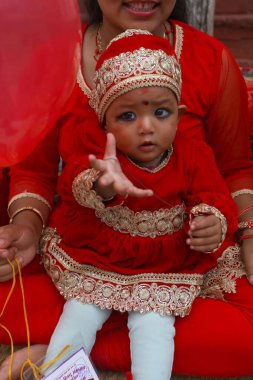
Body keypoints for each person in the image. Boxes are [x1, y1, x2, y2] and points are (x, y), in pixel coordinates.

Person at [1, 0, 253, 378]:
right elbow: (34, 172)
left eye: (161, 113)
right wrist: (26, 227)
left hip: (179, 258)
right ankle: (98, 341)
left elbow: (232, 169)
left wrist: (243, 228)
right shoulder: (55, 59)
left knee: (246, 340)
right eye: (129, 115)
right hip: (85, 249)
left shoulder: (209, 59)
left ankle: (69, 354)